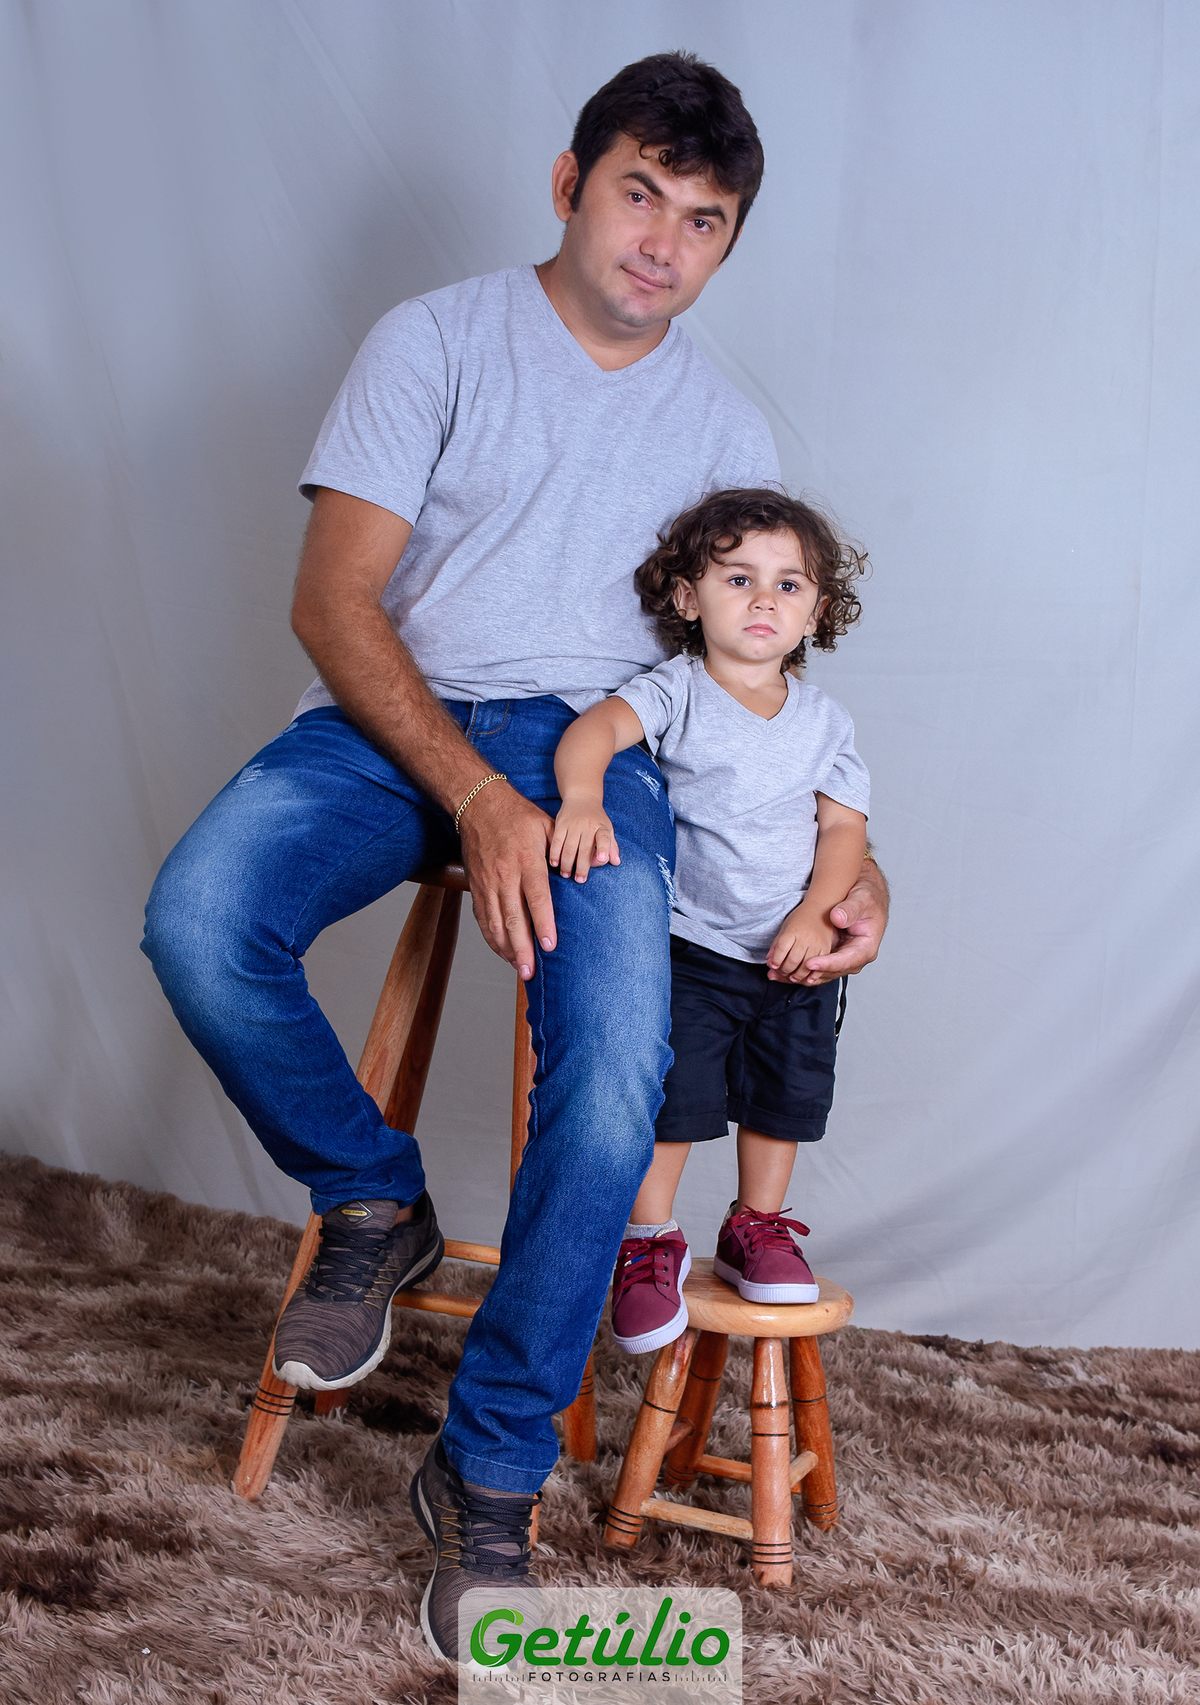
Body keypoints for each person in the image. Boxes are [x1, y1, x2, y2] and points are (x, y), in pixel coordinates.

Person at [141, 52, 888, 1661]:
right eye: (639, 194)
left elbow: (751, 686)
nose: (663, 242)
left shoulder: (724, 423)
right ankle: (371, 1193)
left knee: (616, 1070)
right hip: (393, 716)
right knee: (200, 917)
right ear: (568, 185)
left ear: (729, 243)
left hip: (600, 761)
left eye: (704, 220)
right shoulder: (434, 339)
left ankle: (486, 1470)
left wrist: (852, 849)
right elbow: (332, 600)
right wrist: (477, 796)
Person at [550, 487, 870, 1357]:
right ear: (689, 598)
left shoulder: (824, 721)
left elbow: (843, 830)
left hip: (792, 956)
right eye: (738, 578)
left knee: (784, 1098)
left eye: (789, 584)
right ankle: (649, 1240)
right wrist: (582, 797)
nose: (765, 599)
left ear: (817, 611)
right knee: (674, 1101)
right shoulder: (678, 690)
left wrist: (817, 914)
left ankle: (755, 1226)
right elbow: (593, 731)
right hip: (692, 945)